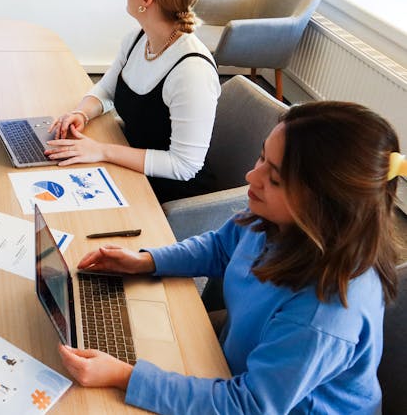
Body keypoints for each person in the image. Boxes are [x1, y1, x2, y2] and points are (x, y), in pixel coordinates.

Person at [58, 101, 401, 414]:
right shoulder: (276, 221)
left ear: (325, 205)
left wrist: (125, 377)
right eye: (261, 157)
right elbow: (222, 247)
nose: (253, 177)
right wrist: (147, 261)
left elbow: (248, 405)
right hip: (236, 368)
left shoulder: (324, 311)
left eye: (275, 178)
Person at [45, 0, 220, 203]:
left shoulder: (192, 72)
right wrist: (81, 113)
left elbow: (184, 166)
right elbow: (106, 90)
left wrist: (102, 151)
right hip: (129, 160)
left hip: (169, 192)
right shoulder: (138, 39)